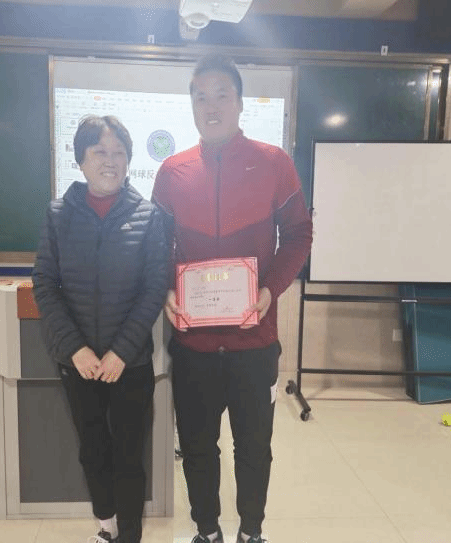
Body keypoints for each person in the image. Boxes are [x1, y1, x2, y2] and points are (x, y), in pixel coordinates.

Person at [152, 55, 313, 543]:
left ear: (241, 103)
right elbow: (156, 245)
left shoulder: (274, 163)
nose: (211, 105)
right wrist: (166, 287)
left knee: (254, 449)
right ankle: (207, 531)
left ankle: (251, 532)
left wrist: (269, 288)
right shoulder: (172, 171)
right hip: (193, 346)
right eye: (200, 96)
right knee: (198, 447)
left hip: (254, 343)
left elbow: (299, 234)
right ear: (192, 106)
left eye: (222, 94)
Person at [32, 115, 169, 543]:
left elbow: (154, 288)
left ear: (129, 160)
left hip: (130, 362)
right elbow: (45, 284)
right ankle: (106, 527)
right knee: (92, 449)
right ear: (81, 160)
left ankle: (130, 535)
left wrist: (122, 351)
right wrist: (75, 349)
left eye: (119, 153)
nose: (110, 161)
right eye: (99, 152)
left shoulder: (149, 216)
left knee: (129, 455)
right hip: (79, 363)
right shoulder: (58, 215)